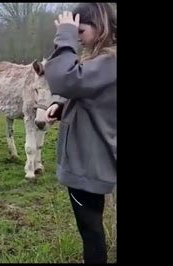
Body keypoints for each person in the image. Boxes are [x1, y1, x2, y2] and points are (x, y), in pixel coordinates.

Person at [43, 3, 117, 264]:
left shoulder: (110, 61)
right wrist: (62, 106)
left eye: (81, 31)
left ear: (101, 27)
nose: (78, 39)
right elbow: (93, 99)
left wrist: (64, 35)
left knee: (91, 232)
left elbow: (65, 79)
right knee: (92, 230)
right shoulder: (103, 62)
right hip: (93, 160)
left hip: (88, 163)